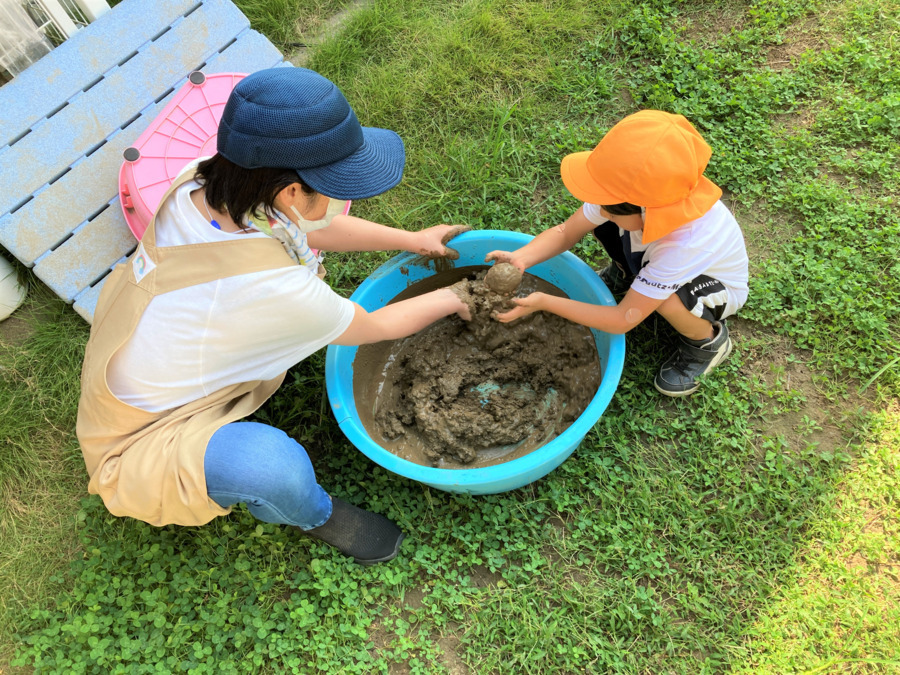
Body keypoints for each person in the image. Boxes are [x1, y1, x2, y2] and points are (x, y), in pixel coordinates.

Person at [76, 68, 471, 565]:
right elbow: (374, 327)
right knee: (269, 466)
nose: (335, 198)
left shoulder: (208, 182)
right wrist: (462, 295)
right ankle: (313, 514)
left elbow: (314, 227)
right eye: (330, 185)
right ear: (288, 193)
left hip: (141, 351)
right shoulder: (275, 290)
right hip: (141, 437)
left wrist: (411, 240)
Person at [487, 110, 748, 396]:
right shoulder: (629, 195)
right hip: (657, 259)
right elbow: (566, 231)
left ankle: (707, 342)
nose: (599, 209)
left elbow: (624, 319)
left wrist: (544, 302)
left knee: (667, 302)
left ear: (645, 209)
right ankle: (628, 278)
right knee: (607, 227)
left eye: (607, 207)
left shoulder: (685, 244)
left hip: (712, 288)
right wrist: (523, 257)